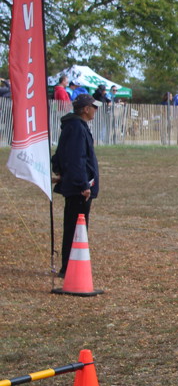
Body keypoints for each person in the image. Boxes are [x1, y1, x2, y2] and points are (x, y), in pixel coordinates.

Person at [51, 94, 101, 278]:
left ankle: (71, 266)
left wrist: (60, 172)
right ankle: (70, 267)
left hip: (74, 183)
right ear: (86, 109)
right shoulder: (77, 128)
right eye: (94, 107)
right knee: (76, 228)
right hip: (79, 188)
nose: (95, 110)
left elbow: (60, 155)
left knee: (75, 226)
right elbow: (76, 158)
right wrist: (82, 184)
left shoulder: (73, 126)